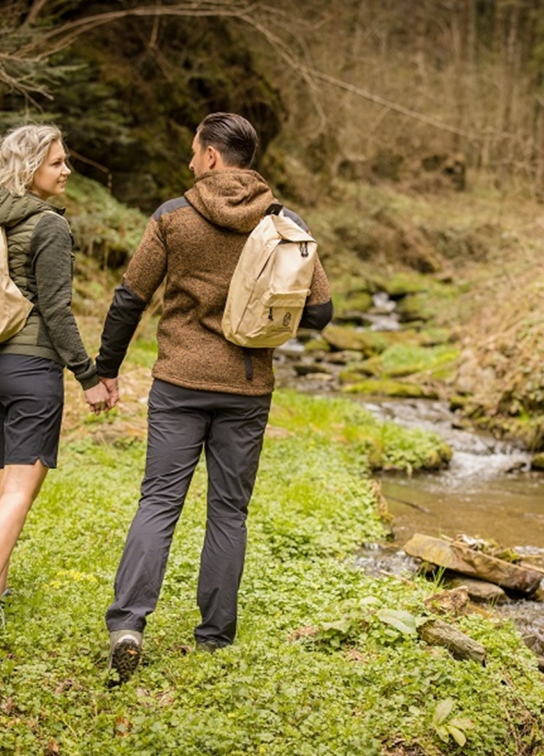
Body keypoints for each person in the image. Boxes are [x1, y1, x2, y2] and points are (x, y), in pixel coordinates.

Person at [95, 112, 333, 681]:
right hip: (247, 387)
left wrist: (105, 369)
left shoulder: (173, 217)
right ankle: (215, 637)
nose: (190, 161)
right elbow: (321, 312)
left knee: (158, 501)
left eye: (193, 151)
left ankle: (129, 623)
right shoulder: (283, 223)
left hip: (179, 381)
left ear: (209, 157)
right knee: (229, 510)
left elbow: (130, 297)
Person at [0, 124, 111, 651]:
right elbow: (56, 312)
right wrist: (90, 376)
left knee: (0, 491)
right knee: (18, 492)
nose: (67, 170)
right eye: (57, 162)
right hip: (33, 372)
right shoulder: (49, 227)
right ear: (31, 167)